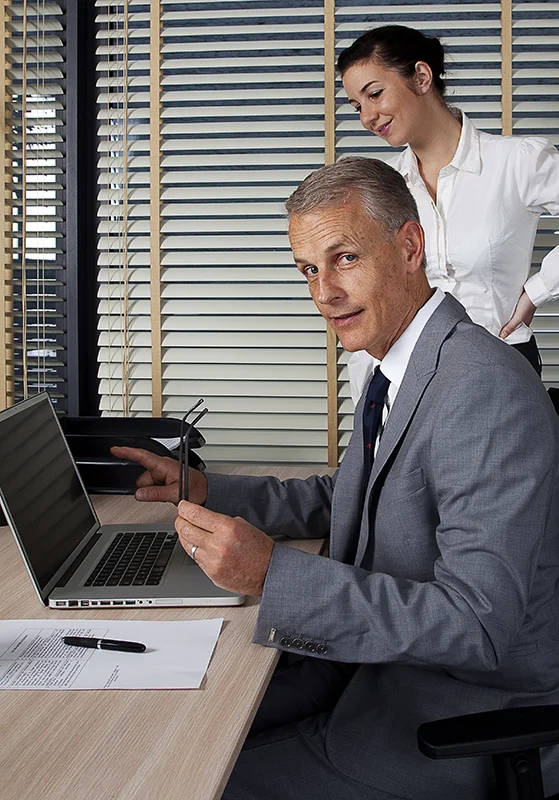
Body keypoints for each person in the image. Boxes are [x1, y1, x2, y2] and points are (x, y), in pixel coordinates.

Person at [111, 157, 559, 800]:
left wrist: (273, 576)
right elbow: (353, 495)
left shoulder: (481, 390)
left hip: (454, 716)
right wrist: (208, 490)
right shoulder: (400, 368)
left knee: (171, 778)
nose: (323, 292)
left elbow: (477, 625)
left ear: (409, 247)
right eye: (308, 269)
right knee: (155, 725)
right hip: (369, 673)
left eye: (344, 257)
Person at [338, 24, 559, 399]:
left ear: (422, 77)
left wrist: (537, 291)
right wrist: (367, 404)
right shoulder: (381, 183)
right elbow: (369, 295)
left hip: (501, 371)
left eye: (375, 94)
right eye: (358, 107)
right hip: (406, 378)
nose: (367, 117)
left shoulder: (517, 162)